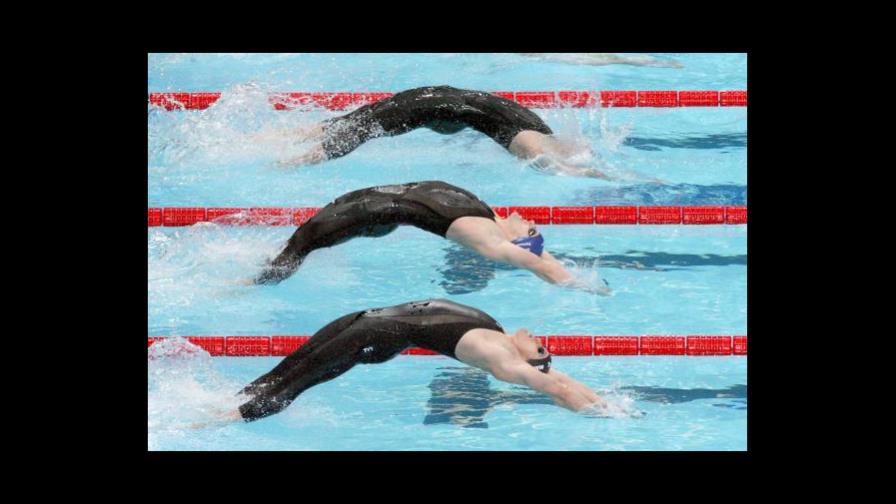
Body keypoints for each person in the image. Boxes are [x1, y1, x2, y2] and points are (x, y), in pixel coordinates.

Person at [212, 299, 606, 423]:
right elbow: (556, 374)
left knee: (296, 383)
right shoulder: (498, 333)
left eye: (539, 348)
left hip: (371, 337)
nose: (539, 341)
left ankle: (212, 421)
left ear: (526, 360)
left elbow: (551, 383)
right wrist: (603, 400)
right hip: (363, 321)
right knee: (284, 371)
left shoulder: (501, 358)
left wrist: (598, 416)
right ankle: (221, 403)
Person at [253, 180, 611, 296]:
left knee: (296, 250)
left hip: (369, 212)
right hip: (372, 200)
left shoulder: (487, 236)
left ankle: (242, 283)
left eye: (530, 228)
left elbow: (536, 262)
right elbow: (538, 258)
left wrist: (579, 283)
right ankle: (249, 275)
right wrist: (534, 242)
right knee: (290, 251)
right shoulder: (489, 217)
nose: (528, 220)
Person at [262, 85, 612, 179]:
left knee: (338, 126)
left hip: (425, 97)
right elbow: (554, 166)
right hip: (429, 105)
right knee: (348, 133)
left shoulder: (530, 128)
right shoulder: (527, 133)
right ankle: (277, 157)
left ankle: (258, 141)